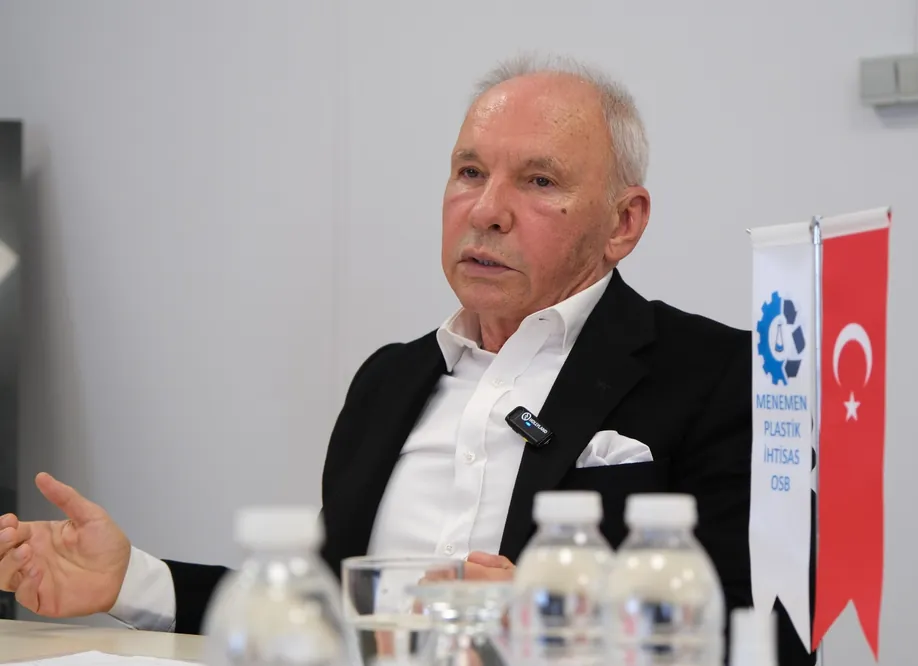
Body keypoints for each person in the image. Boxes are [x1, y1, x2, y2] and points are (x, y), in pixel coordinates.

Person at [0, 54, 812, 665]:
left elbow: (776, 635)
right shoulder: (389, 380)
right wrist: (129, 581)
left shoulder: (719, 377)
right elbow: (324, 610)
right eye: (470, 172)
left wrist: (565, 629)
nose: (486, 210)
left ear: (622, 223)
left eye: (538, 181)